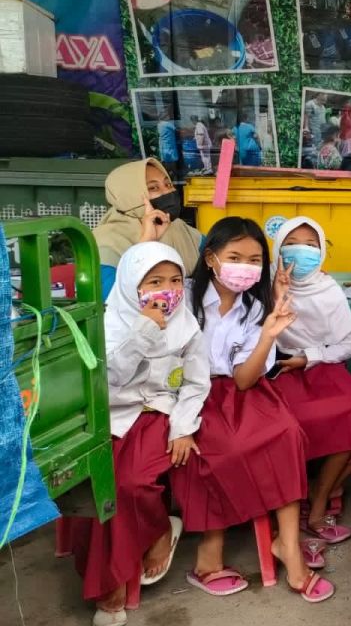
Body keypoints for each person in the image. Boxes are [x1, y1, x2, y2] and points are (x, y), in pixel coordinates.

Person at [174, 217, 331, 602]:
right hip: (189, 393)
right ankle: (209, 554)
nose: (245, 267)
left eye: (255, 259)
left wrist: (268, 335)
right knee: (223, 449)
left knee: (286, 433)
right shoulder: (184, 297)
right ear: (211, 257)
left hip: (240, 390)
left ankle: (288, 547)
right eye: (235, 256)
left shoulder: (255, 308)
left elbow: (245, 379)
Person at [74, 243, 209, 626]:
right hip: (114, 416)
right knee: (100, 486)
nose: (167, 290)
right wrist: (145, 330)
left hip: (158, 415)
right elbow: (110, 379)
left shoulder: (187, 324)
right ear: (133, 284)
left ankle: (129, 566)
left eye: (174, 280)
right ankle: (136, 552)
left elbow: (196, 384)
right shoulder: (108, 322)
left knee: (132, 484)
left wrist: (183, 428)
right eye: (154, 281)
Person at [269, 217, 351, 547]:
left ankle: (317, 503)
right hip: (281, 368)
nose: (303, 251)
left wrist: (311, 356)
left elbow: (348, 343)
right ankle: (295, 502)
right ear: (278, 248)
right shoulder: (263, 287)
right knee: (286, 426)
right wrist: (277, 295)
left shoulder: (329, 290)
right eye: (294, 243)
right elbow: (256, 339)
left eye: (312, 245)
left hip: (321, 366)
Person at [93, 159, 203, 299]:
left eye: (168, 184)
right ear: (130, 196)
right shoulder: (106, 243)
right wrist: (146, 243)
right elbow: (113, 299)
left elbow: (216, 255)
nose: (167, 192)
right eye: (153, 188)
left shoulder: (178, 228)